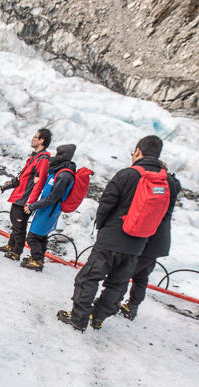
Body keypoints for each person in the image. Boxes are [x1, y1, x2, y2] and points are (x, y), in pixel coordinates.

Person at [57, 135, 173, 331]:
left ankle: (78, 318)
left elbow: (106, 204)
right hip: (138, 243)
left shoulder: (126, 174)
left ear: (138, 151)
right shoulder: (168, 181)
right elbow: (164, 216)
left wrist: (102, 228)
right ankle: (98, 317)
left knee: (89, 278)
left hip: (111, 239)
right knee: (117, 284)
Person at [118, 164, 181, 320]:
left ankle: (113, 303)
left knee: (125, 273)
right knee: (141, 275)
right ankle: (131, 306)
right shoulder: (169, 188)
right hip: (160, 241)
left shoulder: (157, 188)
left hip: (147, 239)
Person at [0, 128, 51, 260]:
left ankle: (16, 252)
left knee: (20, 227)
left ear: (42, 140)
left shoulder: (42, 159)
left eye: (35, 136)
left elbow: (40, 181)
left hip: (25, 198)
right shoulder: (34, 157)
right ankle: (11, 245)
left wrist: (30, 202)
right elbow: (24, 178)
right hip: (19, 196)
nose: (32, 138)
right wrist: (9, 185)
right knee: (15, 223)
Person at [19, 144, 75, 271]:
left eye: (58, 154)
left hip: (49, 210)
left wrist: (33, 206)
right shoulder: (59, 170)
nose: (55, 156)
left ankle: (37, 261)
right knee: (41, 236)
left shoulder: (64, 174)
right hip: (45, 209)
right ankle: (38, 258)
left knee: (33, 237)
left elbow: (53, 197)